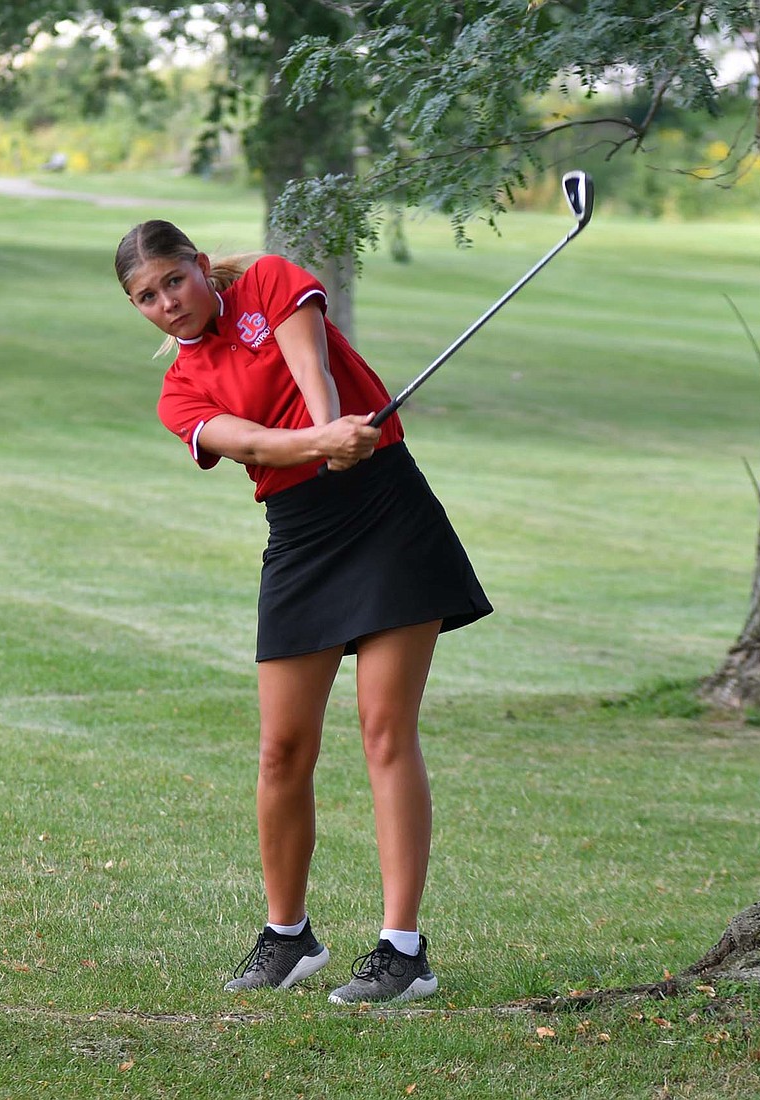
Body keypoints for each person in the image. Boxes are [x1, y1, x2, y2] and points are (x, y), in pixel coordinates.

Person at [115, 220, 492, 1004]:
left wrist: (332, 433)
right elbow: (246, 439)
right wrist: (318, 443)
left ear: (199, 267)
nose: (166, 303)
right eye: (146, 298)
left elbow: (309, 363)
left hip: (385, 508)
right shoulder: (179, 390)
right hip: (300, 536)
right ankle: (288, 937)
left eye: (172, 281)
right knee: (282, 750)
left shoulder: (270, 282)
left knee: (385, 730)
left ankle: (403, 950)